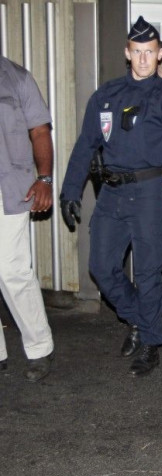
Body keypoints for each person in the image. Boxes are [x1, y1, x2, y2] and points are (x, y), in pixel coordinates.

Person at [60, 16, 162, 377]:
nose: (142, 59)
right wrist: (70, 189)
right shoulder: (105, 96)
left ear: (160, 54)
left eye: (149, 52)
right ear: (127, 52)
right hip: (111, 193)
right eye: (136, 52)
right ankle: (140, 319)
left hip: (150, 193)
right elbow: (85, 145)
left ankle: (151, 342)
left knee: (149, 271)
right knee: (101, 267)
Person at [0, 55, 55, 382]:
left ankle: (40, 346)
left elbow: (39, 130)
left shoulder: (16, 78)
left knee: (11, 269)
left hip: (9, 188)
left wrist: (44, 178)